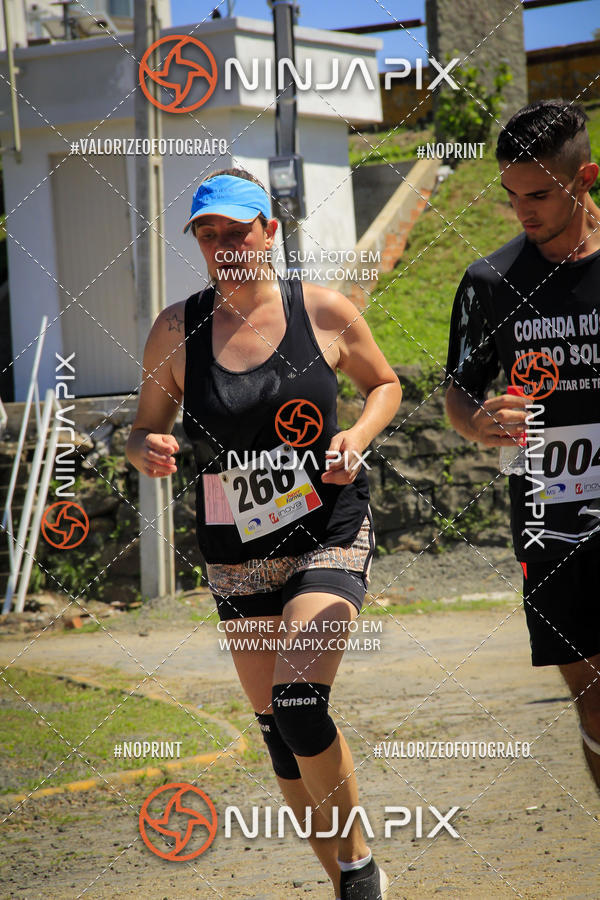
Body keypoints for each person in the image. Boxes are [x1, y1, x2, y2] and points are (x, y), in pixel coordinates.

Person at [126, 168, 402, 898]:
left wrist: (358, 433)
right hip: (236, 555)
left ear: (270, 232)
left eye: (237, 231)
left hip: (326, 531)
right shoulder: (175, 329)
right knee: (279, 734)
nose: (224, 246)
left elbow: (386, 382)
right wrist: (144, 449)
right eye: (208, 235)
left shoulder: (323, 310)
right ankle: (344, 881)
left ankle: (362, 870)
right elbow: (143, 427)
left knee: (300, 703)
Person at [445, 100, 600, 791]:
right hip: (547, 518)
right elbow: (457, 391)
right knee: (593, 706)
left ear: (586, 177)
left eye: (538, 195)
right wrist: (477, 422)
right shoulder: (489, 283)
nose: (522, 213)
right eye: (511, 197)